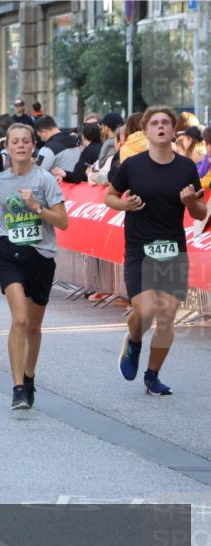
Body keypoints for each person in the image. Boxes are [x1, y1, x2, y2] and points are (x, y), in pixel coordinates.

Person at [106, 106, 207, 396]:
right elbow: (108, 196)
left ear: (173, 130)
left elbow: (200, 212)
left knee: (166, 316)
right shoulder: (133, 165)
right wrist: (124, 205)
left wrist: (190, 202)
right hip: (140, 249)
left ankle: (152, 375)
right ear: (147, 131)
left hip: (173, 249)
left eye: (166, 122)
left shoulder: (186, 168)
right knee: (146, 311)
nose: (161, 127)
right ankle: (134, 341)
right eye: (155, 123)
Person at [0, 123, 69, 410]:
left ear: (32, 147)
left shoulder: (44, 181)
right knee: (20, 320)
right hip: (9, 253)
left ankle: (29, 377)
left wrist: (37, 207)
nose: (19, 146)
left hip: (40, 256)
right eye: (14, 141)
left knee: (34, 326)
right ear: (7, 148)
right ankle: (18, 388)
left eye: (25, 141)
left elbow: (63, 222)